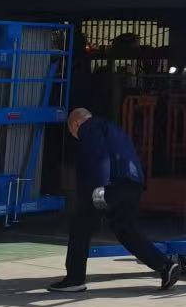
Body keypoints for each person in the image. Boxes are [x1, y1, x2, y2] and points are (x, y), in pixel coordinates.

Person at [49, 107, 179, 294]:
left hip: (111, 185)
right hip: (133, 184)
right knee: (126, 230)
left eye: (73, 132)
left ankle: (74, 279)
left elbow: (98, 157)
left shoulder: (89, 127)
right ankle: (165, 266)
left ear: (76, 123)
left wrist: (98, 190)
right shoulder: (113, 128)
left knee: (80, 225)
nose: (76, 136)